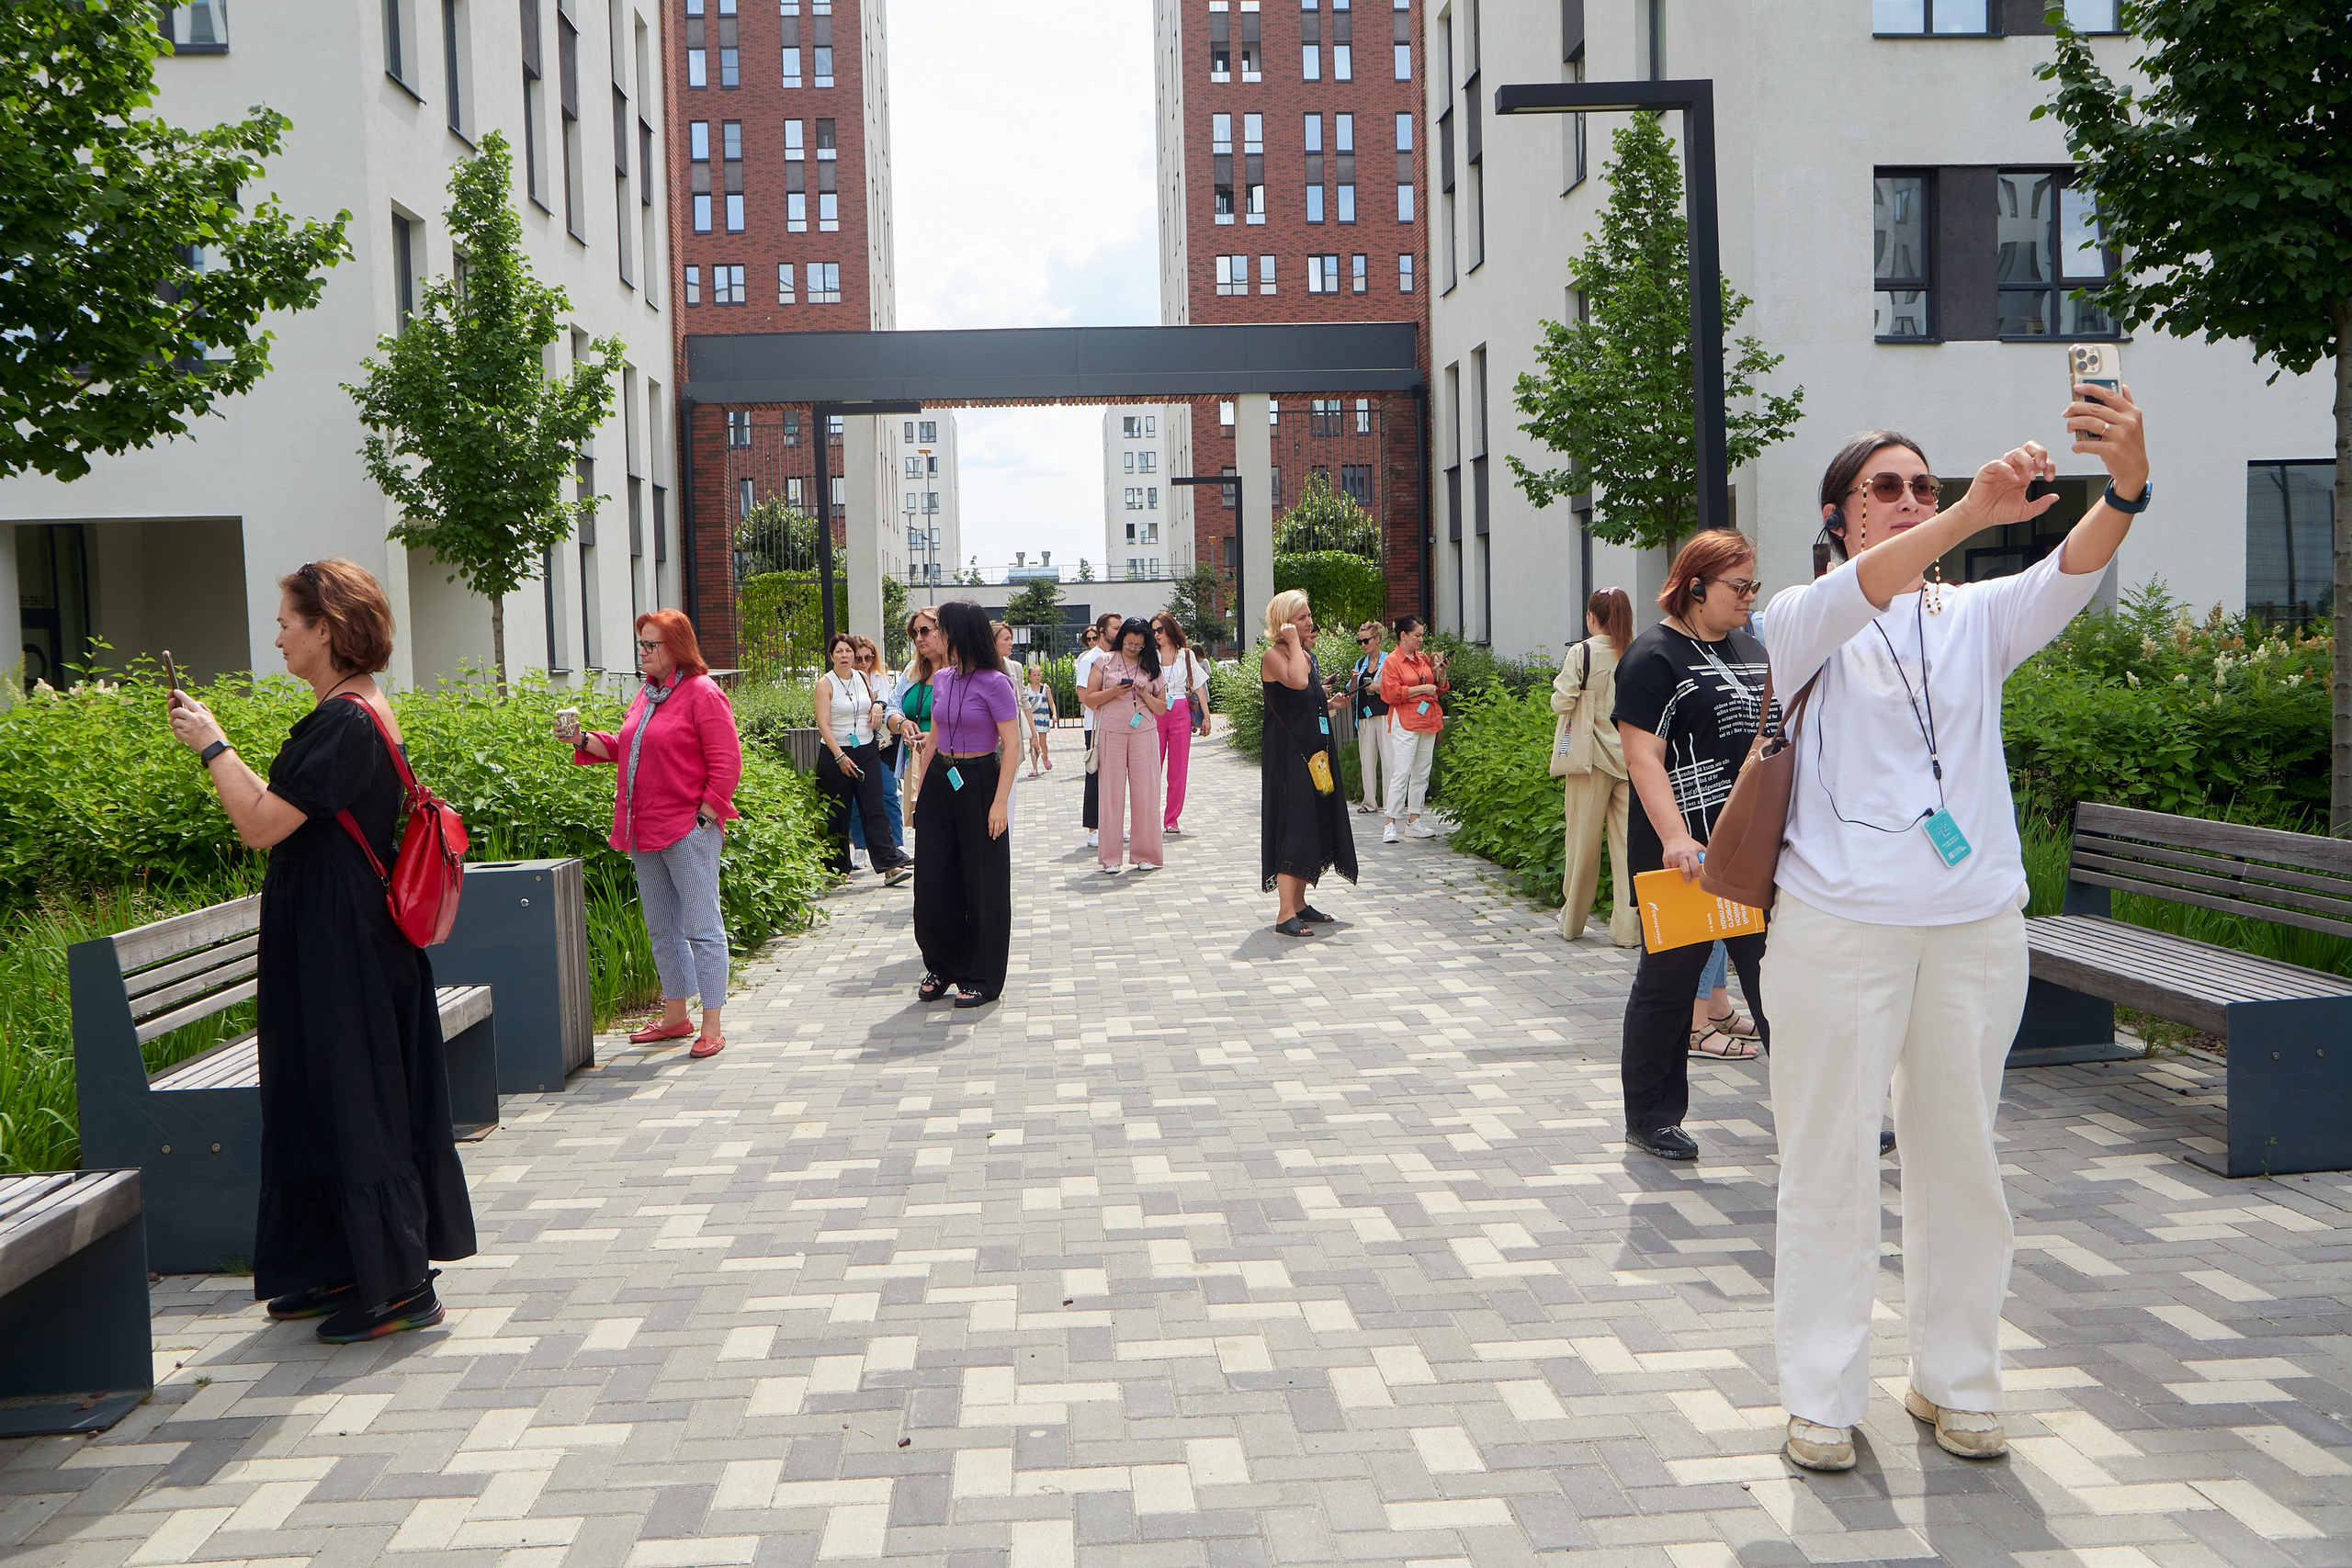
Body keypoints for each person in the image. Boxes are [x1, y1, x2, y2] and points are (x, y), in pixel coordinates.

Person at [1760, 388, 2152, 1474]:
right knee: (1828, 1162)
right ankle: (1819, 1395)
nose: (1907, 499)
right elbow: (1872, 584)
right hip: (1837, 927)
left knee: (1961, 1160)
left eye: (1920, 485)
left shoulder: (1971, 618)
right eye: (1883, 487)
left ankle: (1956, 1380)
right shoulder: (1803, 615)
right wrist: (1971, 513)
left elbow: (2072, 565)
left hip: (1974, 926)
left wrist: (2127, 482)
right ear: (1839, 514)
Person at [166, 558, 479, 1342]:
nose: (276, 638)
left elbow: (260, 823)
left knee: (355, 1099)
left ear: (327, 627)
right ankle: (343, 1262)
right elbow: (287, 813)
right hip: (335, 936)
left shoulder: (345, 721)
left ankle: (401, 1286)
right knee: (323, 1092)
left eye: (286, 623)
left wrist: (212, 744)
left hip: (344, 943)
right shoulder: (351, 708)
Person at [1611, 530, 1775, 1164]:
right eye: (1739, 585)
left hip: (1755, 852)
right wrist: (1676, 836)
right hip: (1687, 857)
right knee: (1670, 984)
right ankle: (1651, 1116)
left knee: (1785, 984)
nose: (1750, 596)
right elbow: (1643, 758)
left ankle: (1832, 1116)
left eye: (1753, 583)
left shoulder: (1751, 648)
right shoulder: (1652, 657)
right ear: (1696, 586)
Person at [913, 601, 1024, 1007]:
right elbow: (934, 738)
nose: (934, 634)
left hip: (980, 782)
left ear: (959, 633)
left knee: (982, 883)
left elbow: (1012, 745)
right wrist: (921, 793)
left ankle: (981, 976)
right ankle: (942, 965)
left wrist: (1000, 803)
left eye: (940, 628)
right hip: (941, 781)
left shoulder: (996, 683)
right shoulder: (942, 678)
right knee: (932, 881)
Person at [1259, 591, 1357, 934]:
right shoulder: (1274, 655)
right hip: (1288, 754)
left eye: (1309, 616)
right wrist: (1290, 641)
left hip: (1313, 752)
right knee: (1293, 824)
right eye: (1302, 617)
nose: (1310, 622)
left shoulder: (1304, 655)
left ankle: (1299, 903)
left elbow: (1302, 702)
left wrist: (1329, 705)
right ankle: (1285, 912)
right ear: (1284, 622)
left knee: (1311, 822)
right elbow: (1298, 682)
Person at [1552, 587, 1642, 946]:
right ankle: (1627, 930)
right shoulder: (1637, 650)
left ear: (1592, 617)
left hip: (1589, 760)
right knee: (1627, 848)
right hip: (1631, 760)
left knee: (1582, 844)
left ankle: (1572, 922)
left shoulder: (1583, 652)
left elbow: (1562, 702)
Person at [813, 632, 913, 887]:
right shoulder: (825, 684)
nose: (845, 656)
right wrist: (840, 756)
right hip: (836, 752)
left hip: (866, 748)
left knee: (874, 807)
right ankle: (836, 869)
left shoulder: (861, 677)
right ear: (831, 656)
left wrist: (878, 706)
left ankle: (889, 865)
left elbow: (872, 704)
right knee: (838, 812)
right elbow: (823, 724)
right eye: (839, 651)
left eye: (849, 652)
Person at [1084, 616, 1168, 873]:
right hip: (1111, 732)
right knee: (1111, 795)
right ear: (1122, 640)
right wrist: (1114, 692)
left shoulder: (1152, 666)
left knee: (1146, 794)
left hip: (1144, 732)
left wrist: (1145, 694)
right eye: (1129, 643)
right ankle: (1110, 857)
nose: (1133, 649)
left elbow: (1161, 707)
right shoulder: (1104, 661)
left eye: (1138, 645)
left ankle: (1146, 854)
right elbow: (1089, 698)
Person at [1375, 615, 1448, 843]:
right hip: (1405, 720)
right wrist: (1422, 689)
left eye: (1422, 635)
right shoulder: (1392, 661)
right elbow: (1391, 693)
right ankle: (1390, 822)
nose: (1420, 639)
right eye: (1417, 635)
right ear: (1403, 636)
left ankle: (1414, 819)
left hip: (1427, 719)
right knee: (1402, 770)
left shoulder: (1423, 658)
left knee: (1422, 771)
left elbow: (1438, 687)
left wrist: (1440, 672)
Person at [848, 635, 907, 867]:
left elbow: (887, 706)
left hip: (882, 745)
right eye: (858, 658)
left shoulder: (880, 679)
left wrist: (877, 705)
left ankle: (897, 844)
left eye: (868, 657)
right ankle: (860, 848)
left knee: (888, 793)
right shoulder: (845, 681)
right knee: (856, 800)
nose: (863, 663)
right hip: (856, 744)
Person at [1153, 613, 1208, 834]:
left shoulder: (1186, 655)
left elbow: (1199, 686)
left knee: (1178, 768)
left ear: (1170, 628)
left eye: (1160, 630)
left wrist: (1206, 717)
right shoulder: (1150, 655)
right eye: (1153, 631)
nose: (1156, 635)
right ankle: (1147, 817)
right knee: (1151, 767)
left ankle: (1171, 819)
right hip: (1156, 710)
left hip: (1180, 709)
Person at [889, 607, 942, 831]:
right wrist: (902, 723)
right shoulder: (913, 670)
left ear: (942, 631)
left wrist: (935, 737)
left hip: (947, 760)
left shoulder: (958, 671)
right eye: (915, 632)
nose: (919, 638)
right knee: (923, 827)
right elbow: (892, 707)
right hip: (915, 760)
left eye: (925, 630)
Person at [1076, 611, 1121, 848]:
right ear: (1102, 631)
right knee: (1095, 775)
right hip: (1096, 726)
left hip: (1118, 725)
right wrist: (1112, 695)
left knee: (1115, 778)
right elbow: (1084, 696)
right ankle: (1094, 829)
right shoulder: (1090, 659)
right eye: (1115, 628)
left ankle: (1113, 826)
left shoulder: (1119, 657)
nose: (1120, 632)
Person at [1346, 621, 1389, 816]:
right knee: (1367, 760)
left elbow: (1396, 686)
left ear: (1377, 639)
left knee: (1388, 760)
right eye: (1360, 641)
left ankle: (1389, 803)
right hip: (1365, 716)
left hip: (1385, 714)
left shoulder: (1388, 660)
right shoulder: (1360, 663)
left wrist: (1378, 687)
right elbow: (1351, 692)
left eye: (1366, 641)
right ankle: (1369, 802)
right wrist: (1354, 678)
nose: (1363, 645)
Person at [1023, 660, 1058, 775]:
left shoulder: (1045, 688)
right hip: (1032, 720)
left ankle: (1045, 757)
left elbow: (1051, 703)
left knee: (1043, 743)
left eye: (1039, 674)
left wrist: (1054, 714)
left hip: (1043, 719)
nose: (1037, 677)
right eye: (1034, 675)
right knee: (1033, 744)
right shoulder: (1026, 690)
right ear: (1029, 676)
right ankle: (1034, 767)